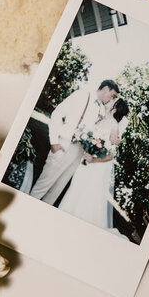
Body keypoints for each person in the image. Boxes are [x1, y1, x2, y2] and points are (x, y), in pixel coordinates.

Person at [31, 78, 122, 208]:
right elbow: (57, 114)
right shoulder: (82, 95)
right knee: (44, 184)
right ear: (105, 89)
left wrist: (111, 140)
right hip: (65, 145)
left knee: (57, 189)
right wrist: (54, 142)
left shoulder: (101, 110)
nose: (111, 99)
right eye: (111, 95)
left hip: (79, 153)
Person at [59, 97, 130, 232]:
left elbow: (110, 155)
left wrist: (94, 159)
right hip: (86, 161)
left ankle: (79, 228)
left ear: (114, 109)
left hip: (96, 167)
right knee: (75, 188)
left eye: (112, 101)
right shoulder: (101, 119)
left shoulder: (114, 126)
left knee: (86, 196)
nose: (109, 101)